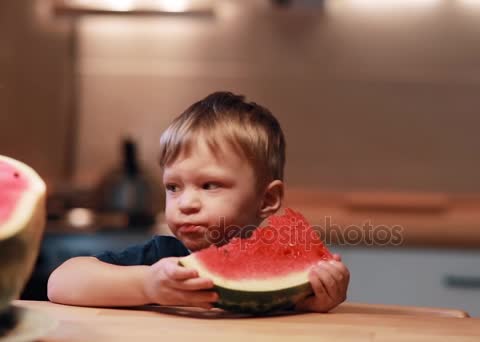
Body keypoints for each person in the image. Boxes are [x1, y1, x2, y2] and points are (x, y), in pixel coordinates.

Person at [47, 91, 350, 312]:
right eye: (174, 187)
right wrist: (147, 284)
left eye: (209, 185)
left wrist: (316, 298)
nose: (186, 203)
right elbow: (60, 281)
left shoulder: (287, 267)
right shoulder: (162, 259)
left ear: (267, 198)